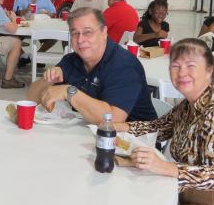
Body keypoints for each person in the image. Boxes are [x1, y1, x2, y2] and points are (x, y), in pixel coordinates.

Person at [113, 38, 214, 205]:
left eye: (191, 66)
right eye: (175, 66)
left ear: (209, 71)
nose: (181, 72)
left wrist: (164, 167)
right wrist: (115, 127)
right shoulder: (187, 107)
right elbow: (157, 127)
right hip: (189, 197)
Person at [26, 7, 156, 124]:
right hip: (90, 132)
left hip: (136, 142)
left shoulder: (124, 65)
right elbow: (30, 99)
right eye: (75, 33)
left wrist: (69, 92)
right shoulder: (71, 60)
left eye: (88, 32)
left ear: (104, 32)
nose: (80, 40)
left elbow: (113, 119)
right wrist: (47, 80)